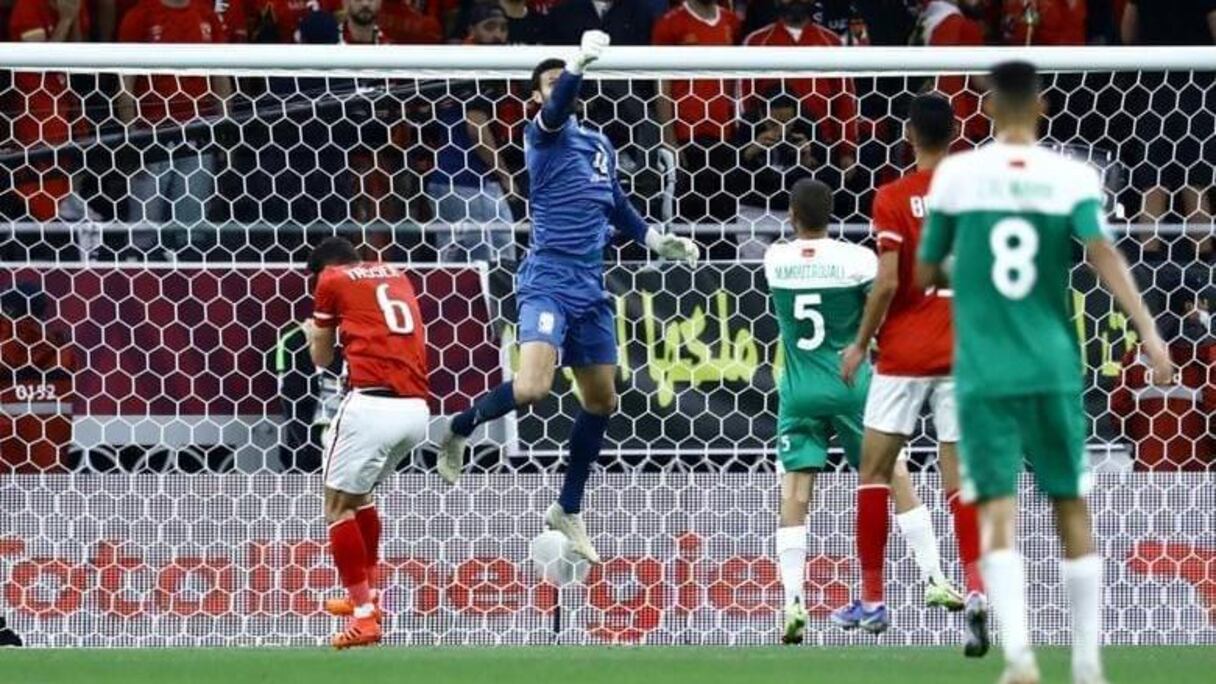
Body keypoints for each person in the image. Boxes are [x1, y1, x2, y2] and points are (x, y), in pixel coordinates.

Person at [916, 60, 1174, 684]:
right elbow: (1103, 252)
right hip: (1052, 363)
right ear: (1042, 106)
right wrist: (1148, 329)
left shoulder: (958, 176)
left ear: (986, 106)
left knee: (996, 509)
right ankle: (1086, 664)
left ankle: (1021, 659)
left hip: (986, 367)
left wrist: (970, 268)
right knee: (1070, 505)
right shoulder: (1071, 175)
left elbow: (927, 271)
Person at [436, 31, 699, 563]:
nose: (558, 87)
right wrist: (575, 64)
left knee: (602, 400)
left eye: (564, 77)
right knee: (534, 387)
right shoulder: (541, 134)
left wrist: (653, 239)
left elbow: (616, 202)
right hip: (548, 278)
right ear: (536, 97)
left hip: (591, 284)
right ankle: (461, 427)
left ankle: (568, 507)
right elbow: (557, 108)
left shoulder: (599, 144)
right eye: (550, 82)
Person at [766, 178, 960, 645]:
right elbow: (883, 308)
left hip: (799, 392)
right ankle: (934, 578)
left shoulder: (775, 259)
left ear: (792, 216)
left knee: (796, 494)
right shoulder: (857, 260)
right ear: (832, 214)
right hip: (854, 387)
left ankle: (793, 602)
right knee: (895, 476)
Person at [831, 94, 986, 655]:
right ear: (956, 133)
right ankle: (975, 588)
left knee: (874, 471)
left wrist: (860, 342)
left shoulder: (893, 196)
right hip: (962, 349)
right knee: (959, 479)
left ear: (909, 135)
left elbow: (889, 281)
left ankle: (873, 600)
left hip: (903, 353)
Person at [307, 237, 431, 649]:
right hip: (415, 410)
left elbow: (322, 359)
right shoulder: (396, 274)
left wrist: (313, 333)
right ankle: (368, 595)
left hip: (371, 405)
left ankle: (363, 616)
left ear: (324, 269)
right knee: (359, 499)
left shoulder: (331, 279)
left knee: (336, 507)